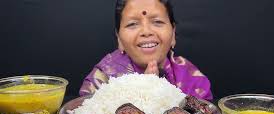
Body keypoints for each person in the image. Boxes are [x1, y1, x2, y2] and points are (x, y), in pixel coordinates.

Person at [80, 0, 213, 100]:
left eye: (157, 22)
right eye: (132, 24)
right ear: (119, 39)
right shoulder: (102, 79)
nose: (146, 31)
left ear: (173, 34)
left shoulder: (192, 79)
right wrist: (144, 90)